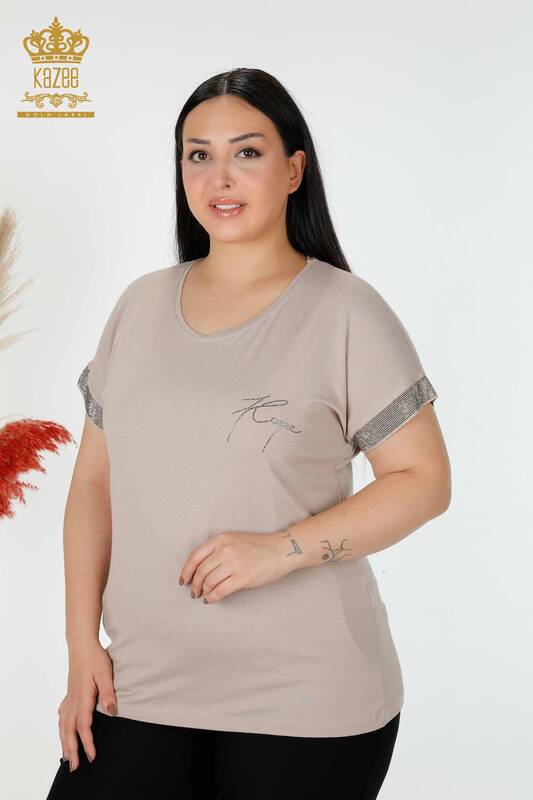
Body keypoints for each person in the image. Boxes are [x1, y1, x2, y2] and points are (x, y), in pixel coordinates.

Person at [46, 66, 451, 799]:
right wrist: (81, 647)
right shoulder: (138, 306)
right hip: (138, 687)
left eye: (248, 152)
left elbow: (423, 481)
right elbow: (94, 487)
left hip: (307, 701)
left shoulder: (346, 311)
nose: (220, 177)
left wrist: (280, 550)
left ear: (294, 170)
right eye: (198, 154)